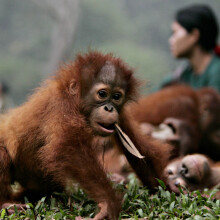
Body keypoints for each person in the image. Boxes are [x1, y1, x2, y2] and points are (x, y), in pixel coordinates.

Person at [160, 4, 220, 92]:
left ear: (194, 35)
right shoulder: (182, 75)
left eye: (175, 33)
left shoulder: (217, 72)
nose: (171, 40)